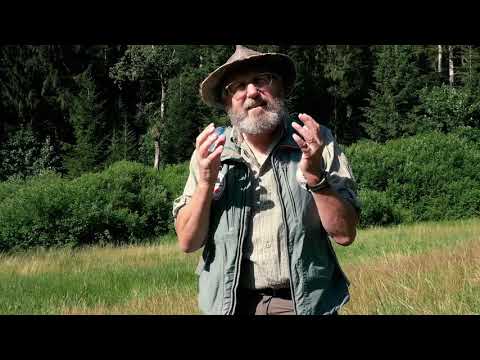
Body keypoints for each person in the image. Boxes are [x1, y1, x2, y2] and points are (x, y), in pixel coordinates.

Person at [172, 45, 361, 315]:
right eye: (237, 86)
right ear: (227, 102)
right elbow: (188, 242)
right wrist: (205, 183)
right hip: (231, 305)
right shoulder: (212, 152)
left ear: (281, 88)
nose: (251, 93)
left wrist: (315, 177)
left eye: (261, 80)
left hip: (303, 305)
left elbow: (345, 234)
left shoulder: (315, 141)